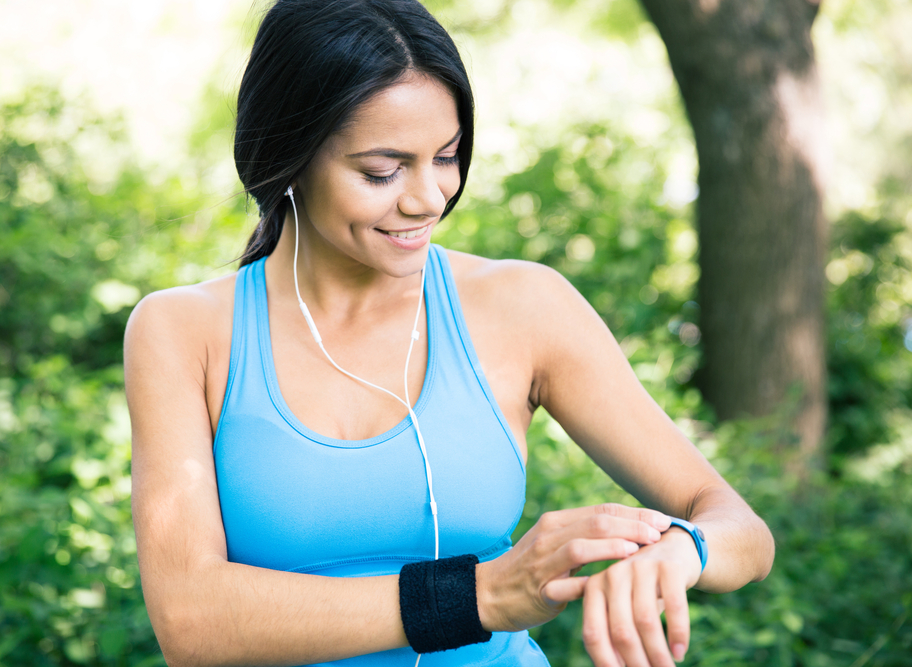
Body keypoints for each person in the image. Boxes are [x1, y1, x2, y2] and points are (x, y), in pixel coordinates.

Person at [123, 1, 775, 665]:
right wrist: (480, 594)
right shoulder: (184, 331)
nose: (427, 197)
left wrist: (680, 550)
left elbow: (740, 529)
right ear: (289, 153)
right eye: (383, 169)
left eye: (447, 157)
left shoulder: (523, 307)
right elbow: (190, 619)